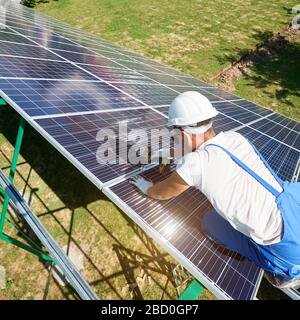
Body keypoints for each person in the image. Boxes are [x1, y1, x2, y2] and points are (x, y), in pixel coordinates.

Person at [130, 91, 300, 289]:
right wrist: (169, 154)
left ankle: (286, 275)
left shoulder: (194, 165)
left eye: (175, 135)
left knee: (210, 222)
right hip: (294, 210)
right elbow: (205, 153)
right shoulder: (235, 138)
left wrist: (147, 188)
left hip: (287, 254)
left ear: (183, 133)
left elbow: (163, 192)